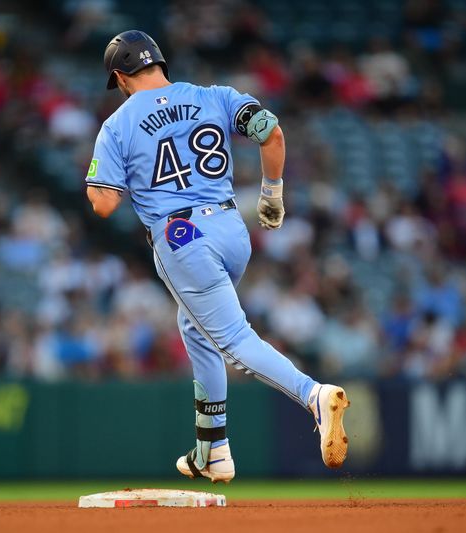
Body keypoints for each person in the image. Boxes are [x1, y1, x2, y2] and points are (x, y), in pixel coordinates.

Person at [85, 30, 350, 483]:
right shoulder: (216, 96)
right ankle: (213, 450)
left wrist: (108, 174)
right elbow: (272, 134)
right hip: (231, 231)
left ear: (120, 77)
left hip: (182, 237)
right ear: (161, 65)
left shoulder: (119, 124)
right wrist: (271, 196)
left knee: (233, 340)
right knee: (196, 329)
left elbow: (104, 204)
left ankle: (314, 395)